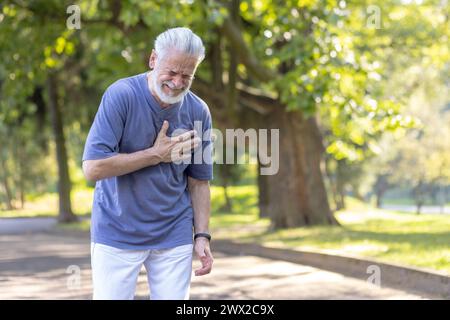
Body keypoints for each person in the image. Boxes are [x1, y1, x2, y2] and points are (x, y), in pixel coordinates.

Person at [82, 27, 213, 300]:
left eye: (186, 75)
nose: (177, 82)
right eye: (172, 72)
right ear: (153, 60)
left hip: (174, 232)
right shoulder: (121, 96)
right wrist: (156, 154)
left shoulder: (198, 111)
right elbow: (93, 168)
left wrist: (202, 235)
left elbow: (199, 182)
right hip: (117, 231)